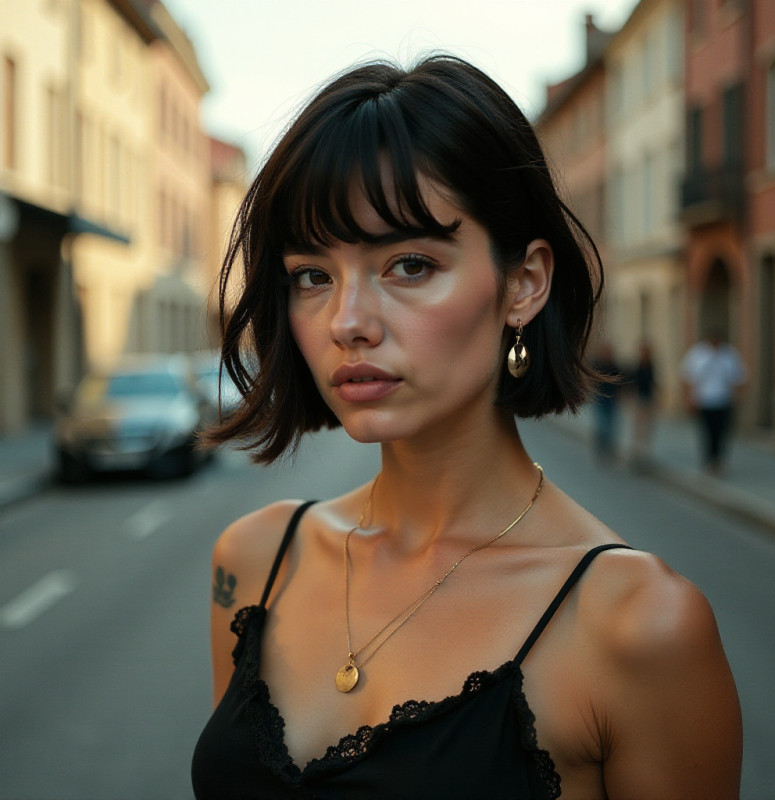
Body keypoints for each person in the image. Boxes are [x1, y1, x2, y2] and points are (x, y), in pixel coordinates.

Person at [191, 56, 742, 799]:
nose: (347, 321)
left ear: (524, 283)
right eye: (312, 274)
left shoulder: (641, 625)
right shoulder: (256, 561)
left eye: (410, 264)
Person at [681, 331, 747, 475]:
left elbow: (738, 378)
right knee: (707, 432)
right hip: (704, 401)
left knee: (721, 432)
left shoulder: (729, 355)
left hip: (723, 401)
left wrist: (737, 397)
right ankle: (709, 460)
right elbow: (688, 378)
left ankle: (718, 460)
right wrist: (689, 399)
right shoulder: (698, 354)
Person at [589, 342, 622, 463]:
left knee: (611, 426)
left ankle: (608, 449)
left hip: (612, 400)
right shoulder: (598, 365)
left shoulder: (614, 365)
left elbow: (619, 381)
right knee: (602, 425)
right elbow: (591, 380)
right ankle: (601, 447)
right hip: (600, 399)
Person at [629, 342, 657, 469]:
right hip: (639, 400)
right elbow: (633, 383)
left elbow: (654, 383)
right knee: (638, 429)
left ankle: (644, 454)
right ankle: (637, 454)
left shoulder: (651, 365)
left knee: (647, 429)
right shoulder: (638, 366)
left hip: (648, 400)